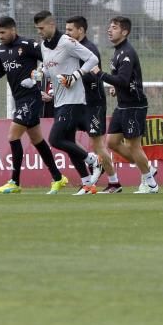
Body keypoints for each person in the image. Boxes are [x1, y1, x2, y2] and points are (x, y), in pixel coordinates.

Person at [0, 16, 67, 194]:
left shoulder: (28, 45)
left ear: (13, 30)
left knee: (13, 136)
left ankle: (14, 182)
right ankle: (58, 177)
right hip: (19, 99)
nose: (0, 36)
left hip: (31, 98)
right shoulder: (1, 50)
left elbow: (49, 60)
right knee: (37, 140)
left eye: (3, 32)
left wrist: (37, 76)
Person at [32, 10, 101, 195]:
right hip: (59, 101)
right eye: (37, 28)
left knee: (55, 139)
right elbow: (50, 69)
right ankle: (87, 184)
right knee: (68, 142)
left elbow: (92, 59)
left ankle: (93, 160)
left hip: (74, 101)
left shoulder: (67, 42)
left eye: (41, 27)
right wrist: (40, 74)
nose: (39, 31)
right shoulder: (44, 46)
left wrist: (75, 76)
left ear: (51, 25)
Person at [94, 16, 157, 194]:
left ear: (124, 32)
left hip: (134, 105)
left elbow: (122, 79)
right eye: (110, 26)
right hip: (123, 105)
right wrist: (116, 88)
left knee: (134, 146)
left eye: (114, 27)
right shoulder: (118, 51)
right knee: (112, 142)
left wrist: (101, 74)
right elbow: (124, 81)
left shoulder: (127, 52)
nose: (109, 30)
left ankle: (150, 183)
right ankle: (149, 169)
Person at [64, 15, 117, 190]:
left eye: (70, 30)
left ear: (81, 30)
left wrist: (74, 77)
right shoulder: (73, 48)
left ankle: (114, 182)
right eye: (66, 30)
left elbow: (94, 74)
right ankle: (92, 172)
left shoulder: (89, 49)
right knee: (67, 138)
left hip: (94, 103)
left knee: (98, 145)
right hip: (79, 103)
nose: (67, 33)